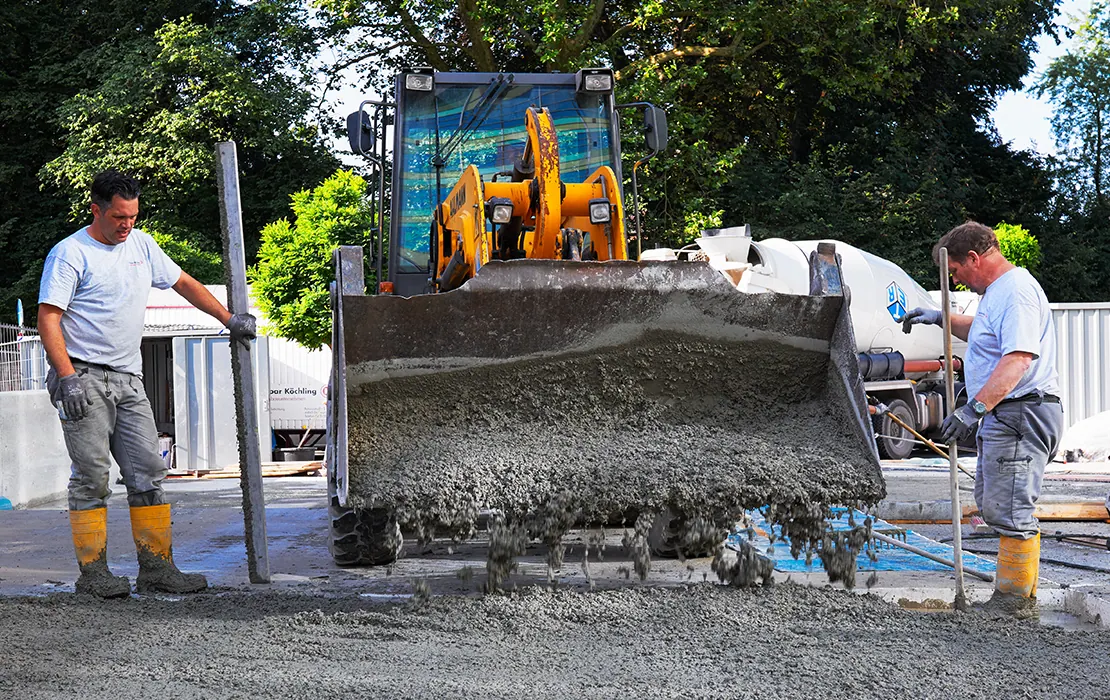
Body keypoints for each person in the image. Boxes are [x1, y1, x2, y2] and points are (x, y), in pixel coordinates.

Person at [38, 170, 256, 598]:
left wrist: (228, 319)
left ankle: (156, 569)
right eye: (118, 216)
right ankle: (94, 575)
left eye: (133, 216)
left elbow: (185, 284)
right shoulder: (70, 255)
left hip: (128, 378)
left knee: (149, 473)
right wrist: (67, 379)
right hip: (83, 376)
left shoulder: (141, 245)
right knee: (92, 478)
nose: (126, 225)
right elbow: (49, 317)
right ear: (96, 210)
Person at [900, 221, 1063, 616]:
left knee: (1009, 507)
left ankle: (1013, 603)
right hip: (1008, 415)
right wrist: (941, 318)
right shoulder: (998, 294)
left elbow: (1018, 358)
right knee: (994, 503)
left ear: (974, 257)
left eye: (955, 271)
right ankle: (1017, 595)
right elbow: (987, 333)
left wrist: (974, 408)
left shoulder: (1016, 291)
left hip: (1020, 412)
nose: (956, 279)